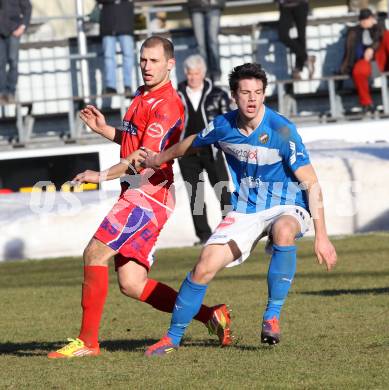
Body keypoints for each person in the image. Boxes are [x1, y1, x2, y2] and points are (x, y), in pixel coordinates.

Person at [47, 36, 232, 359]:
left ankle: (87, 342)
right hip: (141, 193)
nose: (146, 67)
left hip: (147, 195)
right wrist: (106, 130)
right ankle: (210, 315)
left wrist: (100, 175)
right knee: (132, 283)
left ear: (170, 64)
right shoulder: (142, 95)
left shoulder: (167, 106)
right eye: (143, 60)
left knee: (93, 254)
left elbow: (141, 159)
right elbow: (133, 140)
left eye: (154, 61)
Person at [141, 63, 337, 356]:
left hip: (287, 203)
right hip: (246, 207)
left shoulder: (282, 130)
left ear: (264, 94)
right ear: (234, 95)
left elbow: (311, 182)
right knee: (204, 265)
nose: (252, 99)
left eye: (258, 92)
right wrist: (159, 158)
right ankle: (172, 338)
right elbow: (194, 142)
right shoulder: (223, 125)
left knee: (284, 231)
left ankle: (271, 317)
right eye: (245, 92)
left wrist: (322, 236)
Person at [178, 54, 231, 245]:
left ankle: (231, 229)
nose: (193, 77)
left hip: (213, 150)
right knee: (196, 196)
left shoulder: (218, 94)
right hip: (186, 152)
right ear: (185, 74)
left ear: (203, 73)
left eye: (197, 73)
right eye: (190, 73)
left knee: (223, 190)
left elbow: (228, 121)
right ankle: (203, 236)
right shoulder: (176, 95)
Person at [340, 8, 389, 113]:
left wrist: (371, 48)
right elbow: (353, 52)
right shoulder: (355, 31)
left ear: (371, 19)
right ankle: (366, 103)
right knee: (358, 71)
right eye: (363, 19)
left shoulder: (379, 29)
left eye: (367, 19)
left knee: (387, 36)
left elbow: (380, 38)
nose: (364, 21)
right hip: (366, 62)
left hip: (381, 59)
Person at [97, 0, 135, 96]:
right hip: (108, 23)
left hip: (125, 22)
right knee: (109, 56)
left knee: (128, 55)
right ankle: (111, 86)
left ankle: (128, 85)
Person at [0, 0, 32, 105]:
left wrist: (22, 27)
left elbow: (28, 8)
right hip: (1, 32)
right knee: (1, 63)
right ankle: (2, 93)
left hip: (14, 31)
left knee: (13, 62)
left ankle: (11, 92)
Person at [276, 0, 315, 80]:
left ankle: (298, 69)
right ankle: (306, 59)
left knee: (301, 37)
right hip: (285, 6)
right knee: (283, 36)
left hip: (300, 4)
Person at [187, 0, 225, 83]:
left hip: (214, 4)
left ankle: (216, 76)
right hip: (196, 5)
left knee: (213, 42)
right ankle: (205, 75)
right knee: (200, 45)